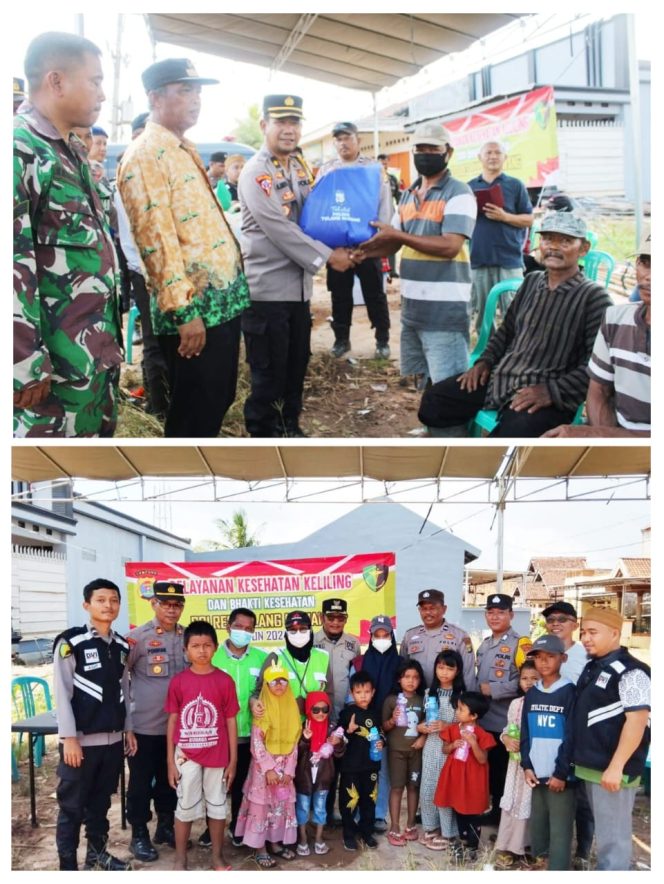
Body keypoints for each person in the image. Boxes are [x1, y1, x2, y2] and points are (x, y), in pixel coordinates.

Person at [118, 58, 250, 438]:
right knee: (194, 414)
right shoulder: (146, 155)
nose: (196, 100)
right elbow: (156, 241)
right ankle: (182, 482)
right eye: (185, 91)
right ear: (155, 97)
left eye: (198, 92)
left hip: (220, 305)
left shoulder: (180, 148)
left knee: (215, 400)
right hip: (195, 314)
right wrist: (183, 311)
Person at [14, 31, 123, 438]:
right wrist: (21, 362)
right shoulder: (19, 150)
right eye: (95, 81)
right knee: (50, 481)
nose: (102, 94)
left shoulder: (68, 152)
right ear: (56, 81)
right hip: (47, 379)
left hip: (89, 364)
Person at [418, 211, 612, 436]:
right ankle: (462, 451)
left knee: (513, 433)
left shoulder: (594, 297)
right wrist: (485, 362)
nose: (554, 247)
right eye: (548, 239)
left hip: (549, 393)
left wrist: (551, 391)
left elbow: (596, 366)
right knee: (435, 401)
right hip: (503, 378)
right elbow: (506, 330)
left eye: (566, 241)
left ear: (584, 248)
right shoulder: (532, 281)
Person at [239, 94, 356, 438]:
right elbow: (280, 228)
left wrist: (347, 239)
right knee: (268, 375)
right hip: (267, 294)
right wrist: (328, 256)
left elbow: (314, 217)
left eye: (294, 123)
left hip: (298, 291)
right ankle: (263, 439)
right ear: (264, 126)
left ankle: (290, 431)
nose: (289, 131)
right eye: (281, 123)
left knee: (294, 369)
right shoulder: (256, 172)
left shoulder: (297, 167)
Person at [356, 121, 476, 390]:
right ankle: (430, 429)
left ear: (448, 152)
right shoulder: (409, 194)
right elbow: (391, 242)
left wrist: (397, 236)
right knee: (423, 382)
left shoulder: (459, 192)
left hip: (444, 312)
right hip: (413, 309)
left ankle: (447, 432)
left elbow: (450, 246)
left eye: (432, 149)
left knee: (447, 387)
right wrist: (360, 253)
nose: (425, 154)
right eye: (419, 148)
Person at [52, 578, 131, 871]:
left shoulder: (122, 645)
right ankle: (68, 866)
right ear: (87, 605)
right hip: (80, 744)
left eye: (113, 600)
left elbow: (125, 689)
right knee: (72, 807)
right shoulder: (72, 643)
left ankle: (97, 855)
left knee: (100, 804)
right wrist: (69, 738)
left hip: (112, 742)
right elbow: (62, 692)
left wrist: (129, 729)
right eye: (100, 600)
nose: (108, 605)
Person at [545, 228, 651, 438]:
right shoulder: (615, 318)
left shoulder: (592, 296)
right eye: (646, 262)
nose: (649, 276)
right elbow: (599, 392)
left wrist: (599, 436)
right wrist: (606, 442)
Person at [572, 606, 650, 871]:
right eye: (583, 632)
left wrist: (616, 767)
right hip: (590, 767)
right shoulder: (594, 666)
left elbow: (637, 721)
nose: (585, 638)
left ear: (615, 633)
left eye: (593, 632)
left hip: (611, 771)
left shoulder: (633, 671)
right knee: (604, 838)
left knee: (613, 842)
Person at [165, 620, 239, 871]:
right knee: (184, 806)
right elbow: (173, 721)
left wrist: (233, 760)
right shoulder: (179, 682)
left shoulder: (225, 681)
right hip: (186, 755)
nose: (202, 651)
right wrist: (169, 762)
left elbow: (231, 722)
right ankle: (180, 859)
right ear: (186, 649)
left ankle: (217, 857)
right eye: (195, 646)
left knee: (217, 806)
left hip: (218, 755)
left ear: (216, 647)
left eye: (207, 645)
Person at [124, 581, 187, 862]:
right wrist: (127, 725)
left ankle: (165, 826)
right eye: (166, 604)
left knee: (170, 780)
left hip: (177, 729)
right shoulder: (137, 638)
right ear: (154, 604)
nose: (172, 610)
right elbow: (120, 680)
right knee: (139, 783)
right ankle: (138, 833)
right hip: (143, 727)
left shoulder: (187, 638)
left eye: (177, 605)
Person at [317, 122, 392, 358]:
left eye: (347, 137)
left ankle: (382, 339)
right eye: (338, 139)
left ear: (357, 139)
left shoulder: (373, 169)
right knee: (339, 295)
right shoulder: (327, 170)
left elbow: (384, 204)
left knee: (375, 294)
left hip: (367, 246)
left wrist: (377, 241)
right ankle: (341, 339)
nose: (343, 143)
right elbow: (320, 206)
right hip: (338, 248)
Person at [208, 607, 268, 847]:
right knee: (215, 785)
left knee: (242, 782)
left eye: (248, 628)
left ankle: (236, 827)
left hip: (248, 733)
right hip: (217, 734)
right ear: (228, 627)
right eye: (239, 627)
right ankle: (212, 829)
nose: (243, 632)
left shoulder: (262, 658)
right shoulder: (212, 656)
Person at [235, 662, 301, 868]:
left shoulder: (293, 709)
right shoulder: (261, 710)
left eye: (283, 680)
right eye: (274, 681)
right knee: (262, 808)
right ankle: (259, 847)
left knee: (280, 807)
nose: (279, 685)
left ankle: (275, 843)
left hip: (284, 772)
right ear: (266, 684)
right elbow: (256, 743)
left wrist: (289, 769)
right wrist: (269, 769)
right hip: (264, 772)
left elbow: (295, 742)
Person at [520, 634, 577, 871]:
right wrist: (527, 765)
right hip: (537, 773)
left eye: (550, 657)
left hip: (559, 776)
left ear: (562, 658)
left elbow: (572, 736)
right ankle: (541, 864)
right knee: (539, 826)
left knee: (560, 829)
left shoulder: (569, 692)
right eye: (538, 658)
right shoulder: (532, 693)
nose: (543, 662)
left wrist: (562, 773)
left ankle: (559, 869)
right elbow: (526, 731)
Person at [475, 593, 532, 826]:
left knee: (503, 771)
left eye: (500, 612)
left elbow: (528, 680)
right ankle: (493, 811)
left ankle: (503, 818)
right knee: (488, 771)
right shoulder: (485, 644)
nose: (495, 616)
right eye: (490, 612)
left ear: (511, 614)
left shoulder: (521, 644)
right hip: (484, 720)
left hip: (506, 724)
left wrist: (494, 690)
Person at [468, 141, 533, 333]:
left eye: (498, 152)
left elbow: (529, 219)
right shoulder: (469, 187)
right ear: (480, 157)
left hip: (509, 258)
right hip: (479, 258)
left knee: (514, 310)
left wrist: (505, 216)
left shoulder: (515, 185)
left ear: (505, 158)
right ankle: (486, 352)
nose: (493, 156)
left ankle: (513, 353)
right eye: (488, 152)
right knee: (481, 313)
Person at [350, 614, 400, 833]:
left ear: (391, 636)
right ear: (370, 637)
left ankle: (378, 815)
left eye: (385, 634)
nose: (381, 638)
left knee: (383, 771)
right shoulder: (359, 662)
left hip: (391, 726)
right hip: (363, 726)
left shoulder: (400, 663)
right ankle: (359, 811)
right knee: (361, 768)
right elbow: (352, 696)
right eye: (377, 635)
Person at [312, 597, 360, 823]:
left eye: (340, 617)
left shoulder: (353, 644)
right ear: (322, 618)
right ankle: (318, 812)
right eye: (330, 617)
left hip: (343, 714)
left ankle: (335, 812)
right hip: (317, 715)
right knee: (319, 765)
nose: (335, 622)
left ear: (346, 619)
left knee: (339, 764)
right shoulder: (311, 641)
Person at [433, 691, 496, 858]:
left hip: (473, 779)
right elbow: (444, 749)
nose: (457, 712)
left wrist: (473, 743)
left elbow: (482, 759)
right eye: (458, 708)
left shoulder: (482, 735)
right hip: (456, 776)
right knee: (459, 809)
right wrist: (453, 745)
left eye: (461, 709)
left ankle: (473, 847)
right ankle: (462, 841)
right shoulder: (453, 729)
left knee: (473, 812)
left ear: (473, 715)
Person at [418, 649, 466, 850]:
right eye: (440, 667)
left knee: (445, 790)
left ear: (458, 671)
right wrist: (421, 728)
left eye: (449, 668)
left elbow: (467, 726)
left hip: (452, 749)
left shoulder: (462, 696)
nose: (444, 672)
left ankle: (448, 833)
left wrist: (447, 726)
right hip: (431, 746)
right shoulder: (430, 693)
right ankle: (431, 828)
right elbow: (423, 721)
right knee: (428, 787)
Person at [493, 659, 539, 870]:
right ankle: (509, 846)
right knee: (514, 801)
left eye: (534, 678)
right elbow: (508, 729)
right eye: (524, 678)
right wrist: (505, 739)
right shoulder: (516, 704)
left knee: (533, 803)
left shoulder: (546, 702)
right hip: (516, 764)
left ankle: (530, 847)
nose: (529, 683)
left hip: (537, 765)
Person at [337, 671, 385, 851]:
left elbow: (381, 734)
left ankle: (367, 832)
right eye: (358, 692)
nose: (363, 696)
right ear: (351, 693)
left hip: (371, 766)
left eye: (366, 691)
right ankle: (348, 834)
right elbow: (337, 740)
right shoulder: (346, 713)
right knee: (350, 800)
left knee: (369, 800)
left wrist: (382, 742)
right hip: (350, 767)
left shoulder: (375, 714)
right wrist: (347, 731)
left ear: (373, 692)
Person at [253, 610, 333, 715]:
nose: (298, 634)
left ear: (311, 631)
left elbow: (329, 694)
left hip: (314, 724)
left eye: (303, 629)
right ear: (286, 633)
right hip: (284, 725)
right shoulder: (276, 657)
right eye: (293, 630)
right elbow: (260, 692)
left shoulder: (322, 657)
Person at [382, 659, 426, 846]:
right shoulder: (391, 700)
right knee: (397, 788)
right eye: (406, 677)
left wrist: (423, 738)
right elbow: (384, 726)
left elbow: (427, 724)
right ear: (399, 679)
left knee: (413, 787)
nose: (411, 681)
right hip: (396, 752)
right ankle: (394, 826)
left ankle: (410, 825)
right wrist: (392, 720)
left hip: (416, 751)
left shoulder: (423, 699)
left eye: (415, 677)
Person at [294, 691, 344, 856]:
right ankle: (302, 839)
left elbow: (339, 753)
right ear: (308, 710)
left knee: (320, 809)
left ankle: (319, 838)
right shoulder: (303, 727)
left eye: (324, 709)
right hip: (304, 778)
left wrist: (337, 744)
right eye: (316, 710)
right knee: (302, 808)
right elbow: (296, 753)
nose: (321, 713)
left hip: (324, 777)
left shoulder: (332, 729)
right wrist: (305, 739)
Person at [399, 589, 476, 690]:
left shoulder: (461, 636)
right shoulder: (410, 635)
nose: (428, 612)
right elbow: (402, 668)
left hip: (447, 698)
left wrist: (467, 701)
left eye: (432, 608)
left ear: (444, 609)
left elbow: (468, 673)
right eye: (424, 608)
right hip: (416, 697)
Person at [377, 152, 401, 279]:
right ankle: (379, 268)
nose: (384, 165)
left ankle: (392, 269)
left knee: (391, 240)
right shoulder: (373, 178)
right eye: (381, 163)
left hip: (391, 214)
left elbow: (398, 195)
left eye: (385, 163)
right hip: (376, 216)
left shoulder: (392, 179)